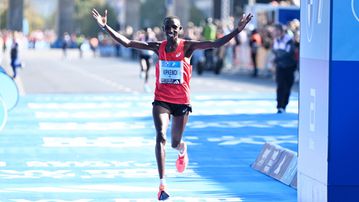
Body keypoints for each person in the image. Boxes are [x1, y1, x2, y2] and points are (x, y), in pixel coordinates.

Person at [92, 8, 252, 200]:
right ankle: (162, 184)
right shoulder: (157, 47)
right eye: (168, 28)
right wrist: (105, 27)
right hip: (161, 100)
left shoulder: (188, 47)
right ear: (163, 29)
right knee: (160, 136)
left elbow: (215, 44)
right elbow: (128, 43)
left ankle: (182, 149)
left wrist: (237, 30)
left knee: (175, 142)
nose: (171, 31)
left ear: (180, 29)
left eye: (175, 28)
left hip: (181, 102)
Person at [272, 24, 297, 113]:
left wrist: (277, 58)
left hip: (289, 67)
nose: (275, 32)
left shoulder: (289, 40)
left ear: (281, 31)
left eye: (277, 30)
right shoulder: (276, 40)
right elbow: (274, 50)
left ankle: (284, 104)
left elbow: (289, 52)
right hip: (280, 67)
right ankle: (279, 106)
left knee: (287, 87)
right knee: (280, 86)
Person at [138, 27, 157, 92]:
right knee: (144, 66)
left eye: (149, 31)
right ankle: (142, 70)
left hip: (149, 55)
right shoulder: (142, 37)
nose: (148, 33)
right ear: (145, 32)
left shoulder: (152, 38)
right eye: (147, 32)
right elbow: (137, 43)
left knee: (147, 71)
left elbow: (156, 44)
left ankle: (146, 84)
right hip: (142, 54)